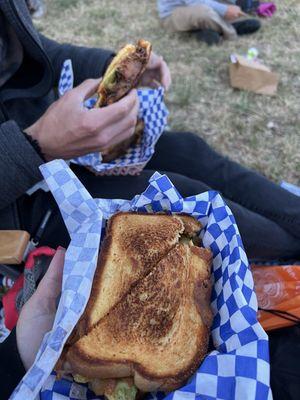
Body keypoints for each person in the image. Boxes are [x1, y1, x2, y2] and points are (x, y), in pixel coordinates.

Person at [157, 0, 261, 45]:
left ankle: (205, 32)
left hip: (197, 6)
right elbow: (195, 3)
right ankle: (231, 30)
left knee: (208, 10)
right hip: (173, 15)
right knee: (203, 12)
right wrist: (225, 9)